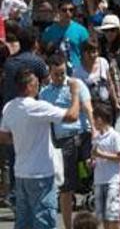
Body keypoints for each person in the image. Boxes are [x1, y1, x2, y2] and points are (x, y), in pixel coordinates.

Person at [0, 68, 82, 229]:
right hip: (41, 174)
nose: (38, 86)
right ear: (29, 86)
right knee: (44, 221)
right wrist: (75, 93)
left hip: (21, 173)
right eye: (35, 83)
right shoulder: (38, 107)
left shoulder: (9, 107)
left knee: (24, 221)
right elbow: (72, 116)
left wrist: (21, 139)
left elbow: (3, 136)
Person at [40, 53, 95, 229]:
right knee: (66, 187)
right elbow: (46, 122)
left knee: (95, 177)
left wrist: (95, 131)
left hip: (83, 134)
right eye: (56, 74)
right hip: (63, 141)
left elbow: (88, 109)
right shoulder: (45, 93)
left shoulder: (76, 85)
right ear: (50, 72)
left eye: (63, 73)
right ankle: (68, 226)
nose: (60, 77)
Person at [91, 103, 120, 229]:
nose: (93, 122)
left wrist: (101, 154)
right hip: (99, 180)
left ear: (101, 118)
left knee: (113, 216)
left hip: (113, 181)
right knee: (102, 217)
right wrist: (92, 161)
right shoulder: (96, 138)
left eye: (94, 118)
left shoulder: (115, 136)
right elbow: (95, 157)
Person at [41, 0, 90, 69]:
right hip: (57, 72)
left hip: (76, 71)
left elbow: (86, 54)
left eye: (71, 10)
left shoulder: (82, 30)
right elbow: (43, 52)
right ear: (58, 10)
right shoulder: (49, 31)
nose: (68, 12)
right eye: (64, 10)